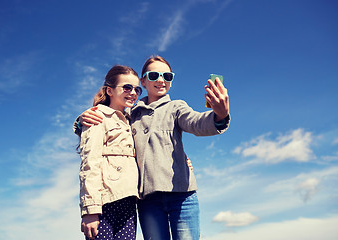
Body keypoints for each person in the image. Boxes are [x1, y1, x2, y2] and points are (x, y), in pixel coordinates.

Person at [75, 56, 230, 240]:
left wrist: (219, 115)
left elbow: (196, 122)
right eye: (154, 74)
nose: (161, 80)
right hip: (147, 201)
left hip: (181, 196)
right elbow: (106, 122)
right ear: (144, 80)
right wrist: (80, 122)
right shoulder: (130, 114)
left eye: (167, 76)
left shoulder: (177, 107)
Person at [78, 65, 143, 240]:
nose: (133, 93)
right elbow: (89, 163)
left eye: (137, 89)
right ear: (110, 90)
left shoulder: (133, 119)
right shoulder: (98, 116)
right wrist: (90, 210)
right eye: (127, 87)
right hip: (105, 203)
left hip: (129, 201)